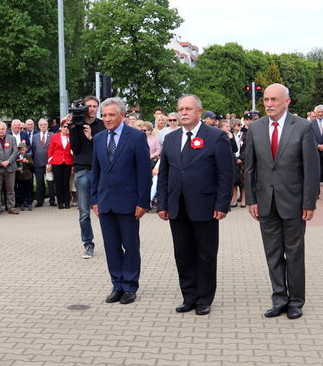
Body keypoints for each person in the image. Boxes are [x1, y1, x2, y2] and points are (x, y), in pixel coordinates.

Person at [244, 84, 319, 320]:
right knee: (273, 253)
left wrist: (309, 202)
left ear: (287, 101)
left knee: (294, 253)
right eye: (266, 99)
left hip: (294, 202)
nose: (268, 104)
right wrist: (252, 200)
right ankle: (279, 298)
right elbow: (250, 168)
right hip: (266, 202)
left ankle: (296, 301)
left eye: (273, 99)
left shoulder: (303, 127)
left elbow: (311, 168)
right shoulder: (255, 128)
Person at [156, 95, 233, 315]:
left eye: (188, 108)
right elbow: (164, 174)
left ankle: (204, 298)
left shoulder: (216, 136)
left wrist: (222, 204)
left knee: (206, 253)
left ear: (199, 111)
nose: (183, 112)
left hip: (205, 205)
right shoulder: (170, 139)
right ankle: (188, 296)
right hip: (177, 206)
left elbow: (225, 174)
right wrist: (162, 203)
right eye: (180, 109)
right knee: (183, 253)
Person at [91, 97, 152, 305]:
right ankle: (117, 284)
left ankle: (130, 286)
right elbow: (96, 170)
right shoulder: (99, 138)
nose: (107, 119)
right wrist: (94, 199)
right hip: (105, 202)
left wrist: (143, 202)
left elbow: (144, 172)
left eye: (111, 115)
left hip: (128, 202)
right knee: (111, 246)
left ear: (122, 116)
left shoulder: (135, 137)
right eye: (104, 115)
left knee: (130, 245)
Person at [70, 95, 106, 259]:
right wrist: (74, 130)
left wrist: (92, 138)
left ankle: (112, 240)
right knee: (84, 212)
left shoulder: (102, 125)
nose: (91, 109)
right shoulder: (77, 125)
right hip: (82, 171)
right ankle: (88, 244)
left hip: (101, 171)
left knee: (105, 209)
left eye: (94, 106)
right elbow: (76, 150)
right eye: (88, 106)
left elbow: (106, 150)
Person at [0, 121, 19, 215]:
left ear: (6, 129)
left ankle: (11, 207)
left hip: (10, 167)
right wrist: (0, 162)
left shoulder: (12, 138)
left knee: (11, 189)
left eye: (3, 129)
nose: (1, 131)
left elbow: (15, 151)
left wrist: (8, 161)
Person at [47, 122, 73, 209]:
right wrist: (50, 163)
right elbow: (50, 150)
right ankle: (60, 202)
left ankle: (67, 202)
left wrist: (73, 164)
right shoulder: (55, 137)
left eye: (68, 127)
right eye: (65, 127)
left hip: (68, 162)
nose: (66, 128)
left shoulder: (71, 137)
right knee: (58, 183)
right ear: (61, 127)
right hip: (56, 162)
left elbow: (73, 151)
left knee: (66, 182)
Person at [31, 118, 54, 207]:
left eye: (45, 124)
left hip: (49, 163)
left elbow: (54, 149)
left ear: (47, 125)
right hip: (38, 162)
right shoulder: (35, 136)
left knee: (51, 182)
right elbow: (34, 149)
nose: (43, 126)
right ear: (39, 126)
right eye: (41, 125)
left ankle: (52, 200)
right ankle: (40, 200)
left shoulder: (52, 135)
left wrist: (51, 163)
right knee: (39, 182)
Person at [15, 142, 35, 210]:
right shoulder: (17, 157)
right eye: (20, 149)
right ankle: (21, 203)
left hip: (28, 175)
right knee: (21, 190)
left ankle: (29, 203)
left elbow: (32, 164)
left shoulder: (28, 156)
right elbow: (14, 165)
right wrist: (17, 168)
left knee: (28, 190)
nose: (22, 151)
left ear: (26, 149)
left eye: (23, 149)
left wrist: (27, 161)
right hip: (20, 176)